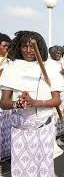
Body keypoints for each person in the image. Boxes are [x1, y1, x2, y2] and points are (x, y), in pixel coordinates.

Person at [0, 30, 64, 177]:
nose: (29, 50)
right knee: (22, 171)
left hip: (43, 129)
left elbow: (56, 100)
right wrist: (18, 104)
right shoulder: (11, 68)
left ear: (40, 47)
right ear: (19, 47)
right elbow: (4, 103)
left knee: (44, 170)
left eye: (32, 46)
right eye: (24, 46)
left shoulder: (50, 68)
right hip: (20, 130)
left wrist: (35, 102)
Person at [47, 45, 64, 146]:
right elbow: (50, 77)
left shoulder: (61, 61)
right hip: (55, 91)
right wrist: (63, 71)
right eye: (57, 53)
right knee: (56, 115)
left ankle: (63, 134)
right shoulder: (48, 63)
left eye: (60, 53)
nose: (59, 54)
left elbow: (63, 76)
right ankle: (55, 137)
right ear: (51, 53)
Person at [0, 33, 11, 164]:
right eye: (4, 46)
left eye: (9, 46)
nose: (7, 49)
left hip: (7, 103)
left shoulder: (10, 61)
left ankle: (6, 158)